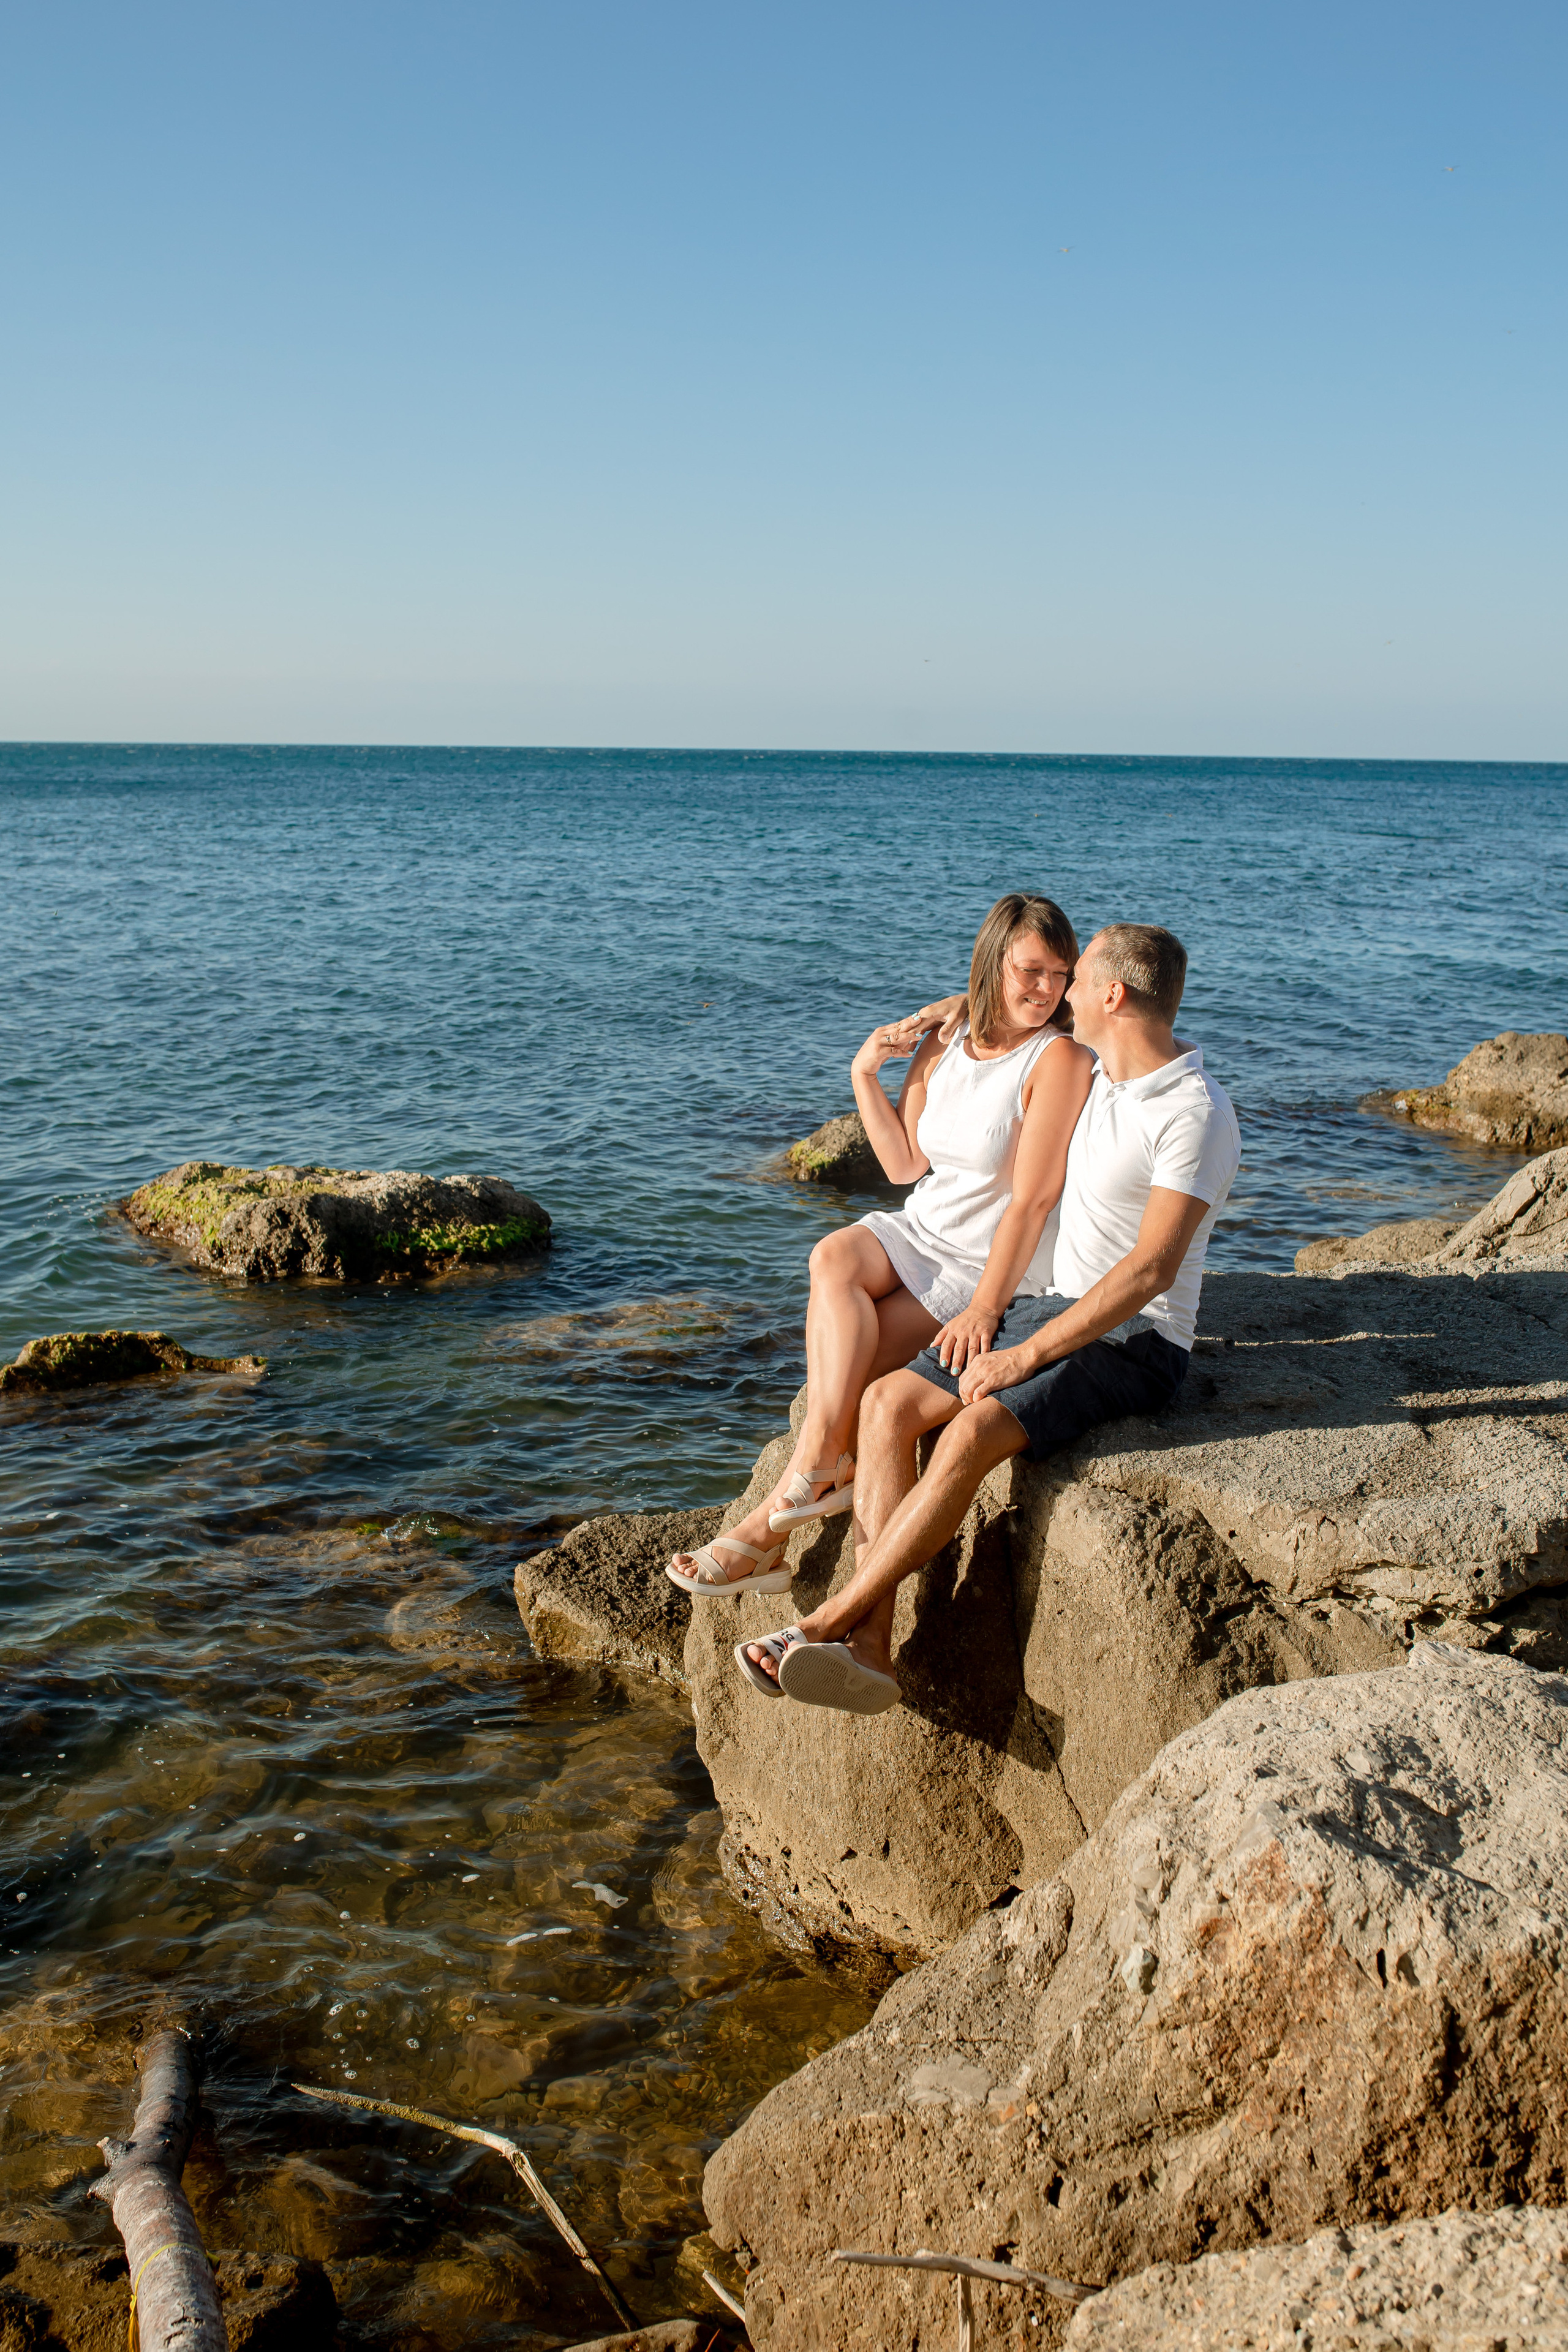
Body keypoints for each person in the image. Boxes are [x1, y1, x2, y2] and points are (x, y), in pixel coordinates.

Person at [736, 922, 1241, 1711]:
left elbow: (1151, 1271)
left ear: (1110, 995)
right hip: (1045, 1308)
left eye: (1075, 980)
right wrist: (953, 1010)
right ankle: (870, 1650)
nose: (1060, 991)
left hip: (1133, 1340)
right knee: (886, 1404)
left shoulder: (1193, 1114)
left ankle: (828, 1620)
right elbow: (1017, 1013)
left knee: (969, 1431)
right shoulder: (1107, 1068)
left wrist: (1024, 1352)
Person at [668, 894, 1095, 1597]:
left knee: (861, 1380)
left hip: (981, 1264)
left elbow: (1035, 1199)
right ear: (993, 962)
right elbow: (902, 1166)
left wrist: (987, 1308)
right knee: (831, 1254)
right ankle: (819, 1468)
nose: (1045, 989)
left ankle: (768, 1530)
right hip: (920, 1230)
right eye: (1029, 971)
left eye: (1060, 973)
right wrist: (864, 1073)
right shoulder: (947, 1038)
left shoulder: (1058, 1058)